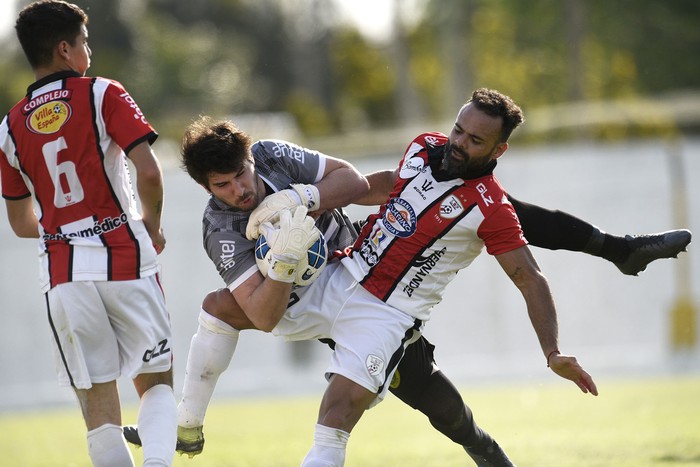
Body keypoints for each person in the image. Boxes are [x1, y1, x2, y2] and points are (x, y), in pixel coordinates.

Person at [122, 113, 692, 465]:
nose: (243, 191)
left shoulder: (477, 198)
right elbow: (374, 189)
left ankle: (485, 449)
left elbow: (526, 272)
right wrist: (284, 260)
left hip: (377, 302)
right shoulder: (422, 151)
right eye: (459, 130)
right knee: (218, 310)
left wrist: (303, 199)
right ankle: (189, 427)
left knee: (433, 405)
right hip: (324, 288)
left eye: (473, 140)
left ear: (496, 150)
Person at [0, 2, 177, 466]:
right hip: (123, 255)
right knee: (155, 381)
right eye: (84, 42)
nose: (89, 51)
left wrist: (67, 230)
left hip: (63, 273)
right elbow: (151, 174)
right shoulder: (103, 94)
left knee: (99, 407)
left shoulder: (9, 129)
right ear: (65, 49)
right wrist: (152, 227)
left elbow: (20, 224)